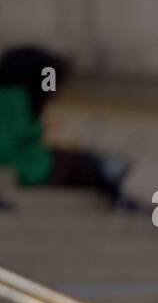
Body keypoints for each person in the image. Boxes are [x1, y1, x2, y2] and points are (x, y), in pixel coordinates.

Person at [0, 46, 134, 208]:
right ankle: (118, 195)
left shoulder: (12, 95)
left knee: (81, 161)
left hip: (27, 160)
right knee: (84, 164)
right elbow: (10, 142)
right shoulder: (15, 99)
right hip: (27, 165)